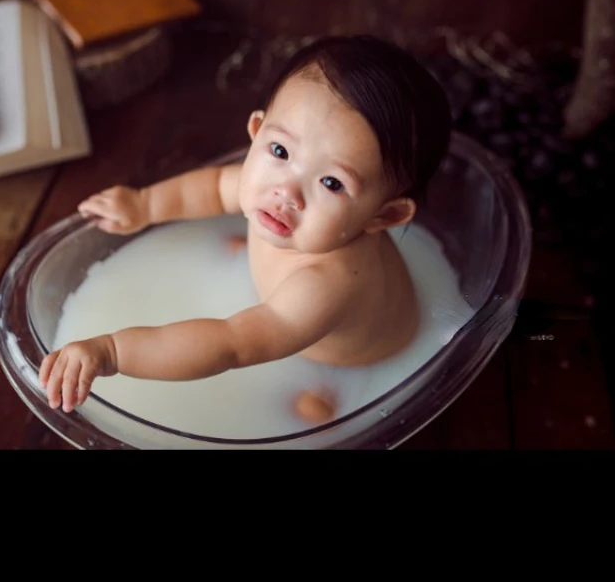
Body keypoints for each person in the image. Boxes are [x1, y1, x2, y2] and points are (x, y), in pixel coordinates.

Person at [39, 35, 452, 423]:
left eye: (332, 183)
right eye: (280, 150)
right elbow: (207, 189)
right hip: (288, 311)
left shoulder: (326, 286)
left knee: (317, 414)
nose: (286, 191)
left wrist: (112, 351)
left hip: (350, 359)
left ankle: (335, 398)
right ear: (256, 132)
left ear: (384, 217)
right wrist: (143, 205)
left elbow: (231, 343)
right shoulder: (274, 190)